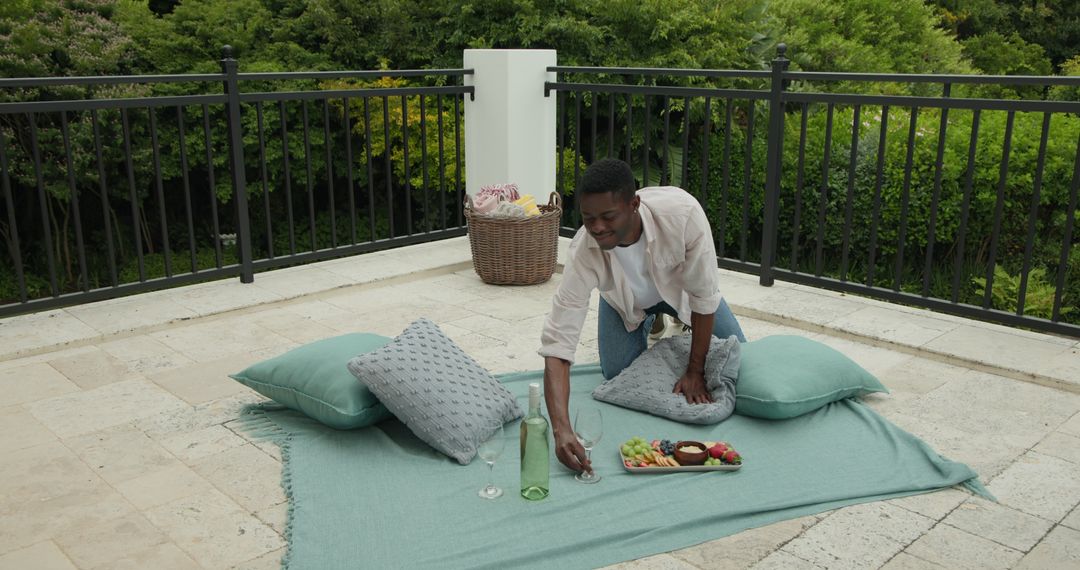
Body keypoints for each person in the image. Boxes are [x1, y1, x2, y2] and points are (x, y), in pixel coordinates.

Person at [537, 158, 746, 474]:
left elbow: (704, 297)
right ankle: (653, 325)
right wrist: (561, 429)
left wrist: (694, 369)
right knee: (617, 371)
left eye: (608, 216)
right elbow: (558, 341)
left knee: (738, 356)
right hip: (626, 303)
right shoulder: (584, 249)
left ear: (634, 204)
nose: (597, 228)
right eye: (588, 218)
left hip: (683, 295)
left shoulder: (683, 214)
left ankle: (672, 325)